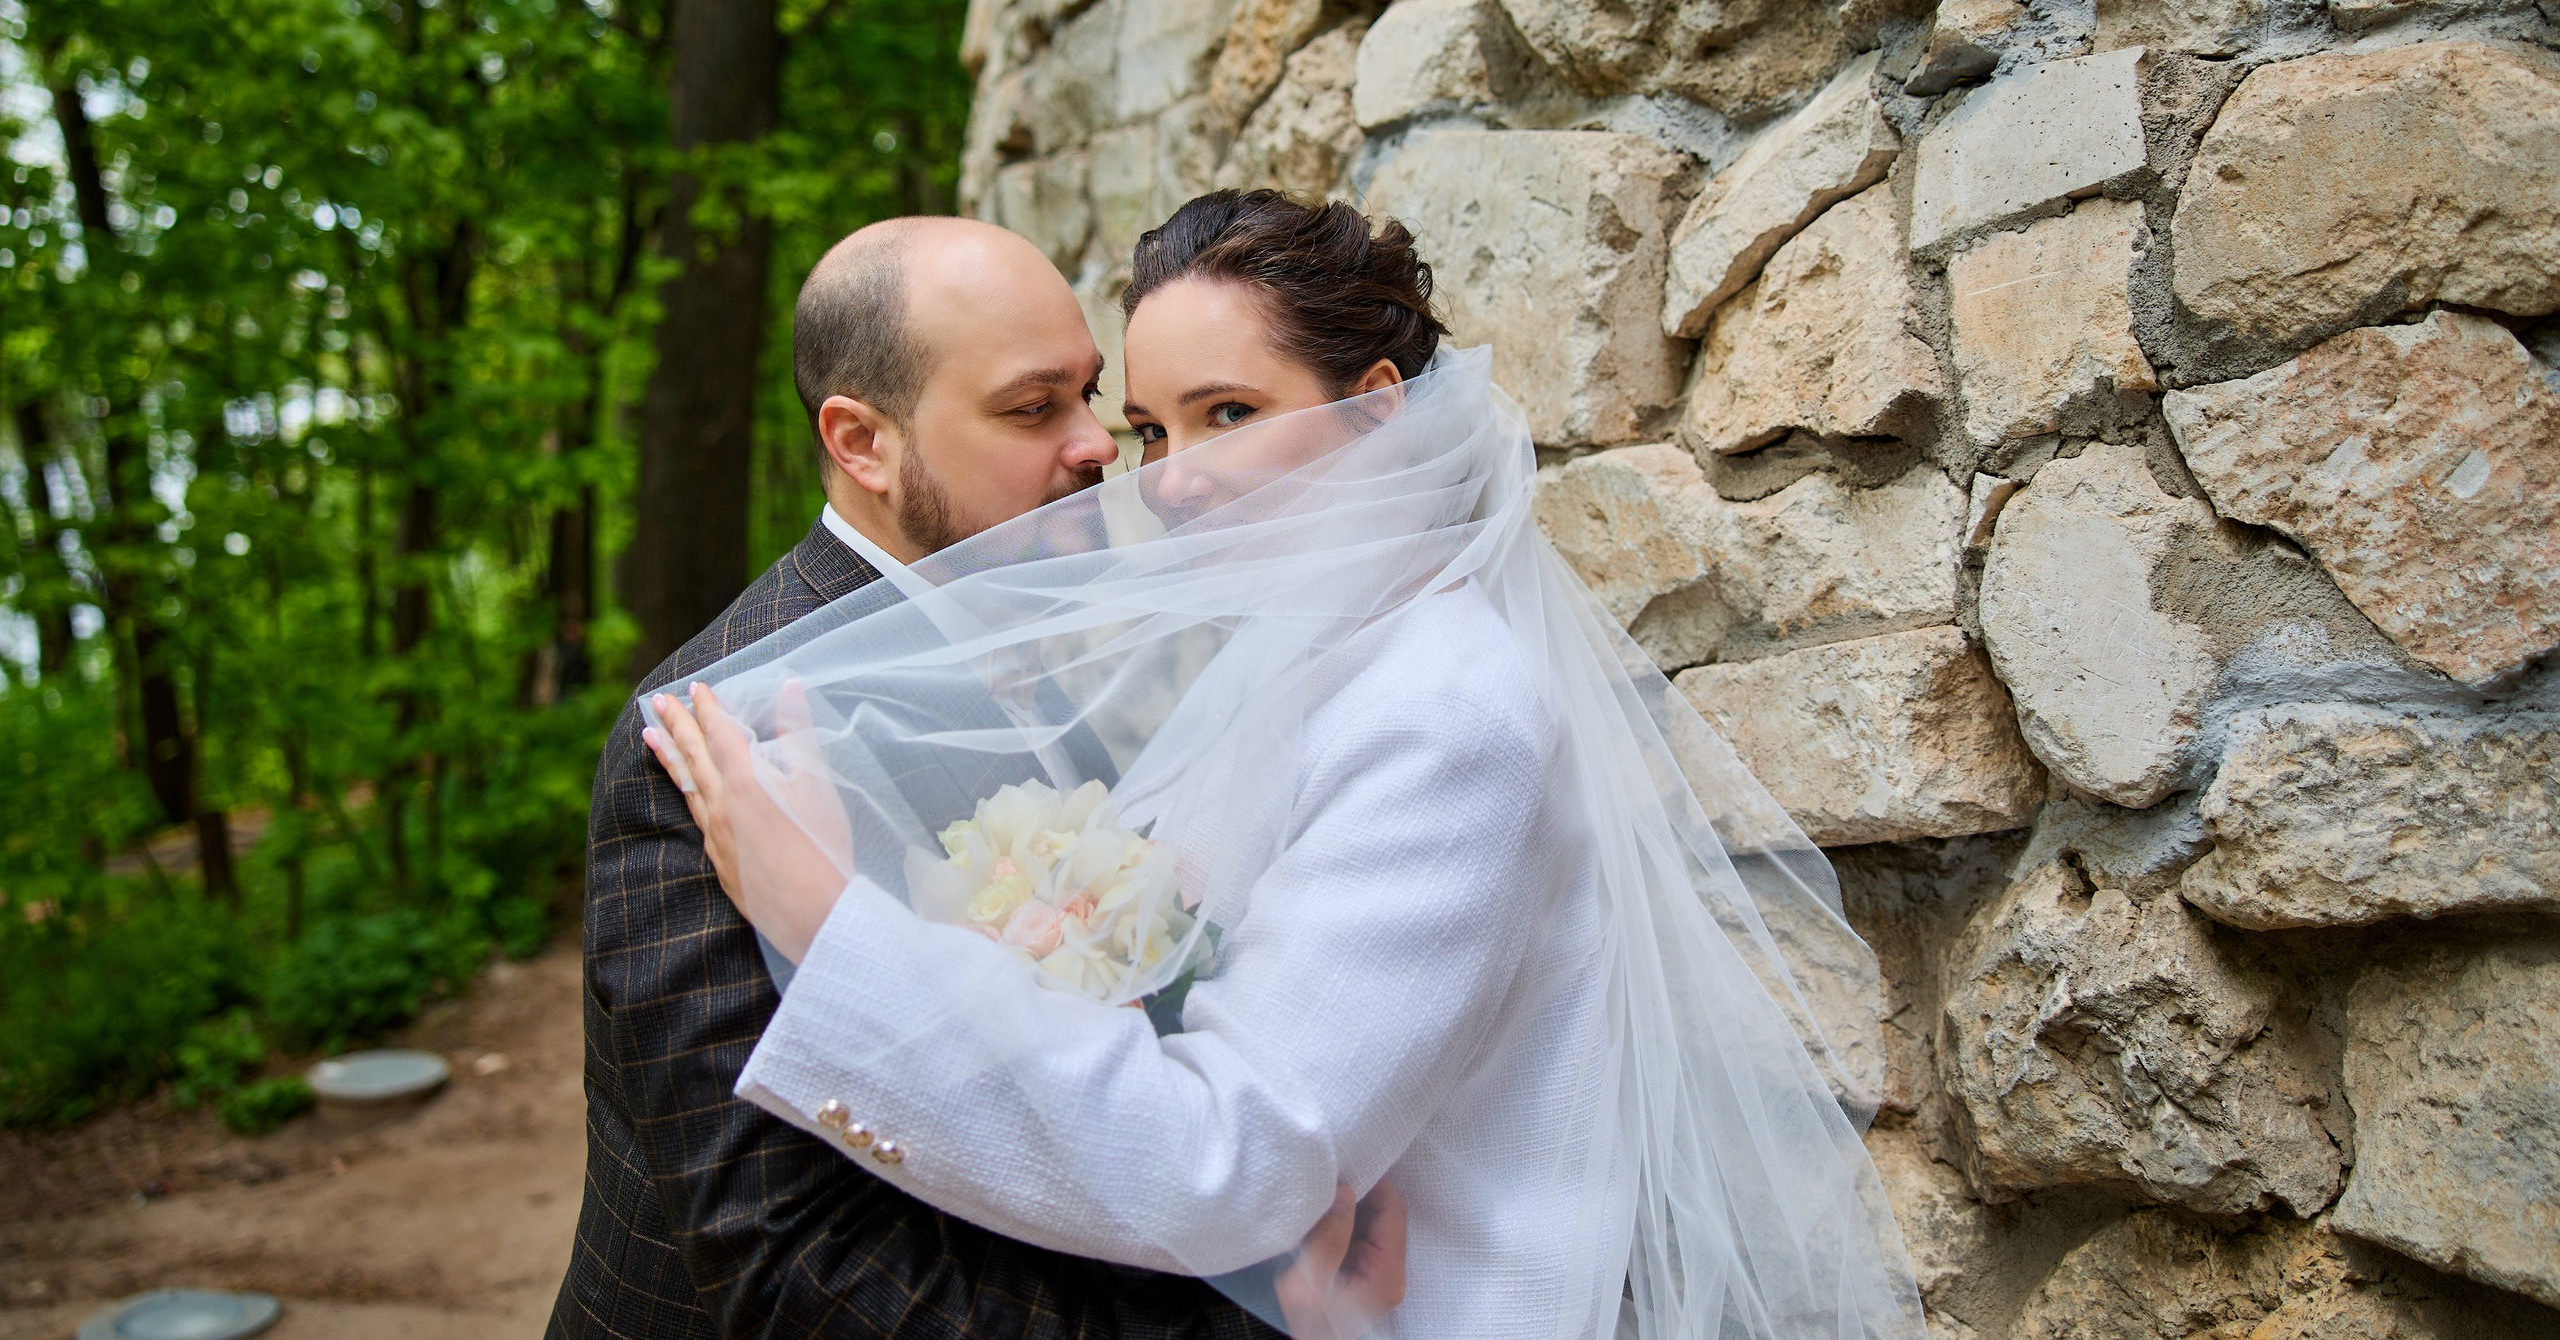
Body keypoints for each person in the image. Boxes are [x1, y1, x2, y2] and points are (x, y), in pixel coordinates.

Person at [642, 193, 1926, 1340]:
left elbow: (1235, 1154)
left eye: (1230, 415)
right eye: (1153, 428)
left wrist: (831, 925)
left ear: (1374, 410)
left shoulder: (1447, 710)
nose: (1169, 479)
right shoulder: (1286, 664)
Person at [550, 215, 1403, 1340]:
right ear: (863, 443)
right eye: (1031, 407)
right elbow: (783, 1264)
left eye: (1092, 396)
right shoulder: (717, 738)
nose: (1100, 445)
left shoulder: (1030, 655)